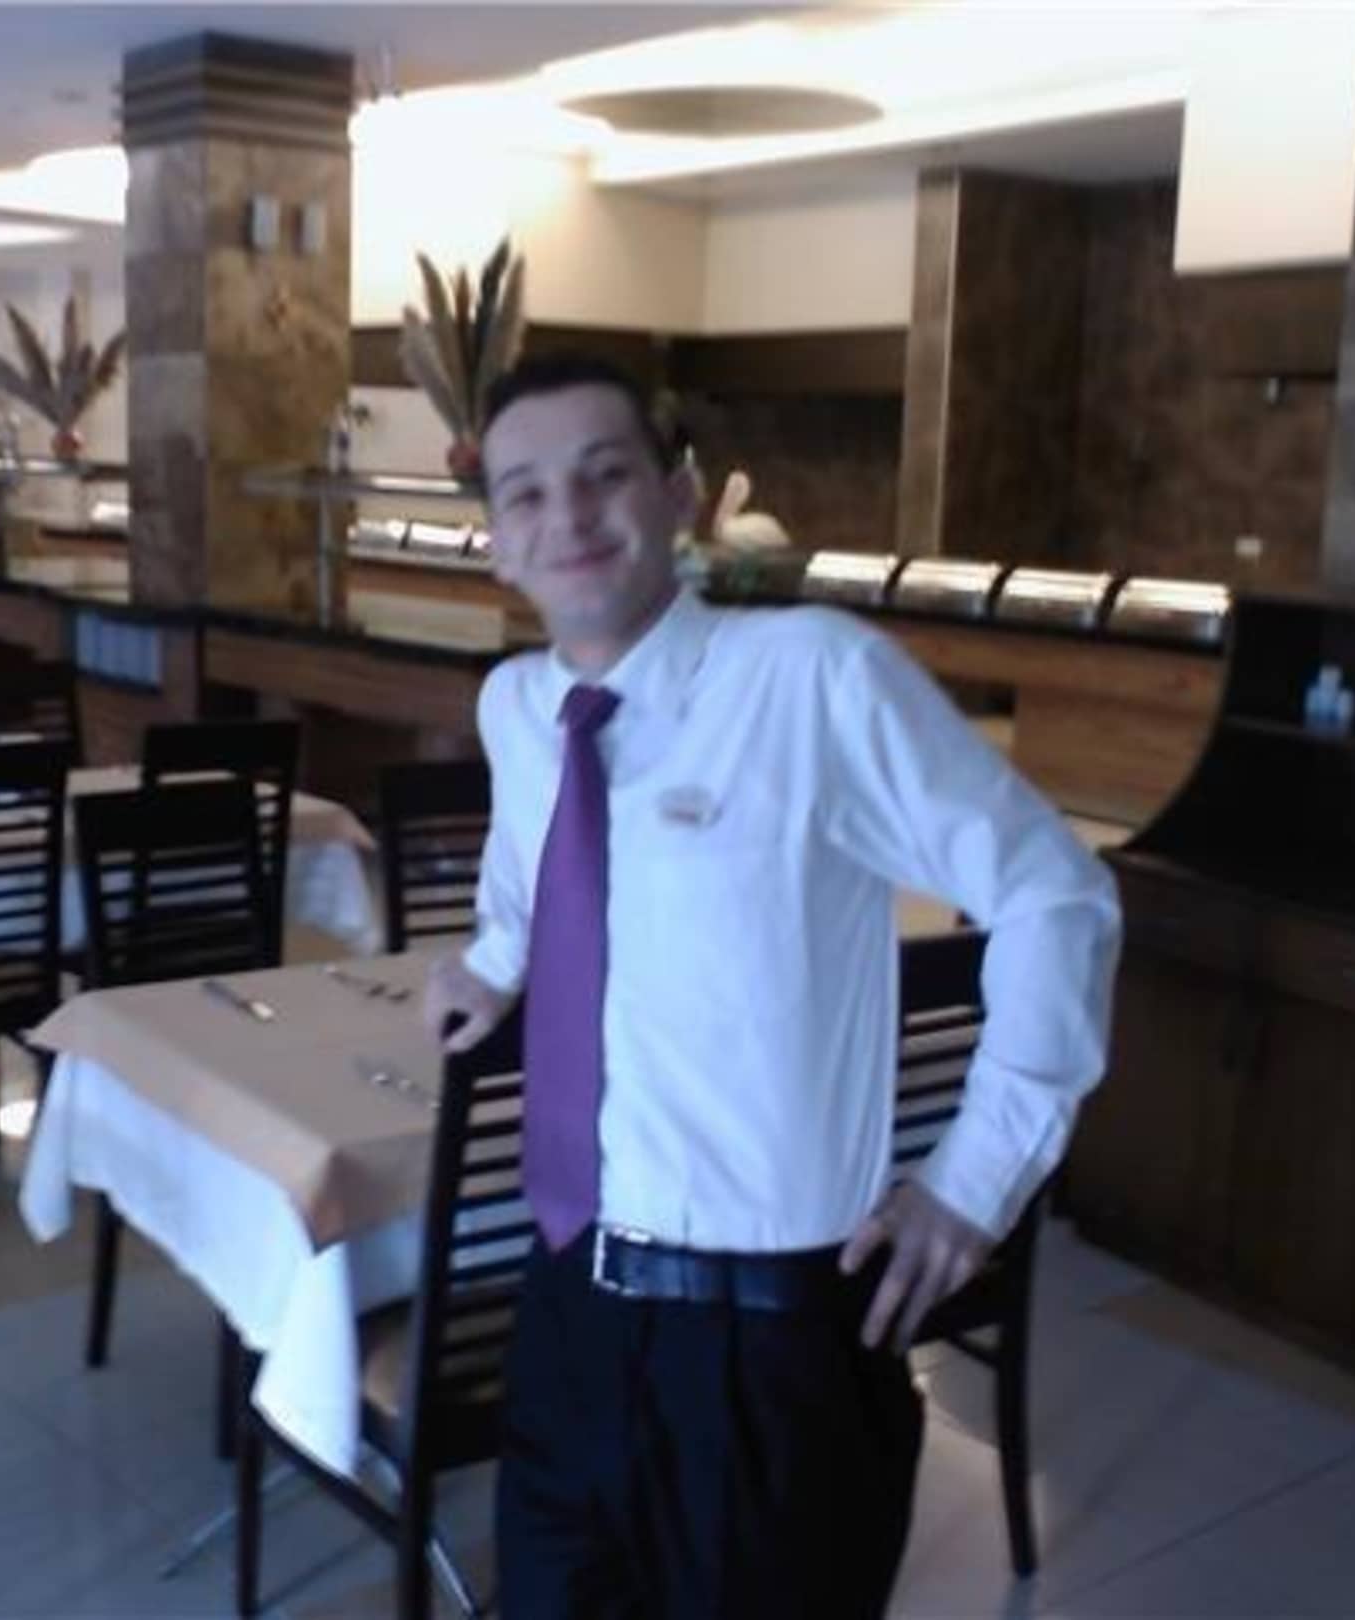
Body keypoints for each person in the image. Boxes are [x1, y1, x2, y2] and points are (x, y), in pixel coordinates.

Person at [423, 352, 1122, 1619]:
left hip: (763, 1346)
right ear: (499, 546)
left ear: (679, 495)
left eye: (603, 474)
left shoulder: (811, 678)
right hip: (567, 1306)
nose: (567, 515)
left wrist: (975, 1182)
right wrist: (494, 960)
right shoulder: (518, 707)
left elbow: (1057, 894)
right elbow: (532, 861)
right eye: (525, 494)